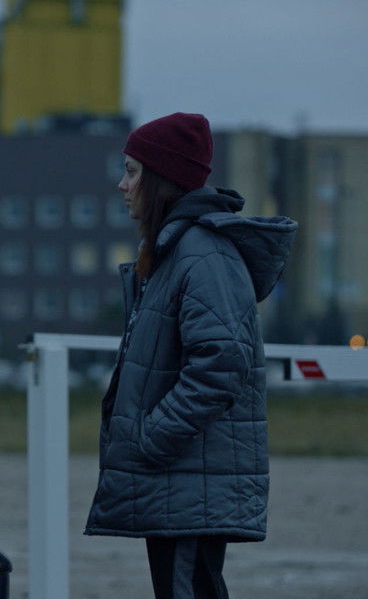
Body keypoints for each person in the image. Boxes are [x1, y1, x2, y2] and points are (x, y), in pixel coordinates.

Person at [85, 112, 297, 597]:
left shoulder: (203, 255)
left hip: (185, 478)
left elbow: (221, 364)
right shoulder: (176, 251)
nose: (122, 185)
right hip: (180, 481)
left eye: (132, 172)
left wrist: (152, 439)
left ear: (162, 179)